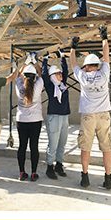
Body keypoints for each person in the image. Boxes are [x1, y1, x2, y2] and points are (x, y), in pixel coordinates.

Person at [70, 30, 111, 189]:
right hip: (103, 116)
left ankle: (85, 177)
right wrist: (104, 38)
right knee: (106, 147)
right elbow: (107, 55)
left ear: (86, 66)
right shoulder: (104, 73)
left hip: (88, 116)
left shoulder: (82, 76)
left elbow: (73, 63)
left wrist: (73, 47)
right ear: (97, 65)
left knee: (85, 147)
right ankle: (108, 179)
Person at [41, 51, 70, 179]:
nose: (61, 75)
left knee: (62, 143)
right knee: (53, 143)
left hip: (64, 117)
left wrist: (62, 57)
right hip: (54, 117)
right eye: (58, 73)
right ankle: (49, 167)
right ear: (53, 76)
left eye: (60, 73)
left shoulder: (63, 85)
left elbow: (66, 71)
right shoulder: (50, 85)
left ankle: (59, 164)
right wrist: (45, 60)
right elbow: (44, 74)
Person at [14, 62, 43, 181]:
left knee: (22, 146)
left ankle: (21, 172)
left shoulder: (20, 86)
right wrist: (35, 63)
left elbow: (17, 75)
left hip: (21, 120)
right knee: (34, 146)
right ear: (34, 76)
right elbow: (41, 74)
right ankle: (33, 173)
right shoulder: (37, 86)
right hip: (35, 121)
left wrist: (25, 63)